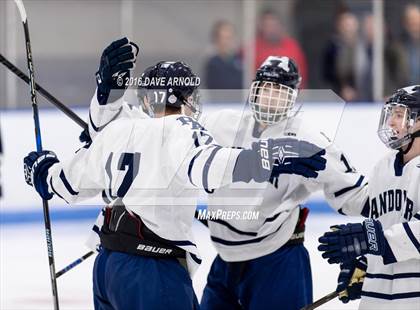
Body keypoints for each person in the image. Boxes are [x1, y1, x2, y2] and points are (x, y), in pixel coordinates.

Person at [23, 38, 326, 310]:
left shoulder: (119, 130)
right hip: (154, 272)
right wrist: (265, 158)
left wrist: (43, 168)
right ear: (181, 97)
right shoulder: (183, 130)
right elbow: (211, 165)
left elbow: (66, 184)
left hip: (107, 269)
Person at [86, 52, 370, 310]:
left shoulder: (310, 140)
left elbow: (357, 196)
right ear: (254, 91)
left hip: (278, 261)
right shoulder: (222, 124)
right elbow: (165, 130)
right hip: (226, 260)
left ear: (294, 98)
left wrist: (371, 245)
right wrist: (120, 134)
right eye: (265, 89)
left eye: (280, 92)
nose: (270, 99)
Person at [318, 85, 420, 309]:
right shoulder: (383, 166)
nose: (392, 122)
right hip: (376, 298)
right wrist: (366, 263)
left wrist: (371, 239)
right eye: (391, 114)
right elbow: (385, 223)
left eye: (400, 115)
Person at [254, 9, 308, 87]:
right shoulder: (252, 49)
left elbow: (302, 75)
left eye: (274, 25)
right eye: (267, 25)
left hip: (289, 93)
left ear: (280, 26)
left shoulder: (293, 46)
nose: (271, 29)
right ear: (261, 27)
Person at [204, 20, 243, 89]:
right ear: (216, 39)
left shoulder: (240, 60)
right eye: (224, 38)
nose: (227, 42)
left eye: (230, 37)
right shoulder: (213, 64)